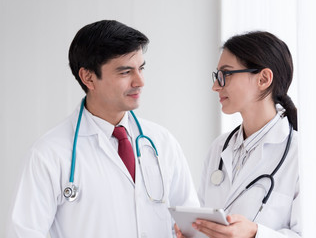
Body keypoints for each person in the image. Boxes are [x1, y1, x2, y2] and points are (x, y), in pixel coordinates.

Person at [7, 20, 199, 238]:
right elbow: (24, 232)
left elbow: (192, 224)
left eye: (141, 68)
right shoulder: (50, 153)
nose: (140, 81)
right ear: (88, 77)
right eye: (126, 72)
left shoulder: (162, 142)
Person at [176, 31, 301, 238]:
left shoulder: (299, 154)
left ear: (263, 79)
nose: (215, 86)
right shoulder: (219, 147)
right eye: (217, 76)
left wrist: (255, 233)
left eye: (225, 75)